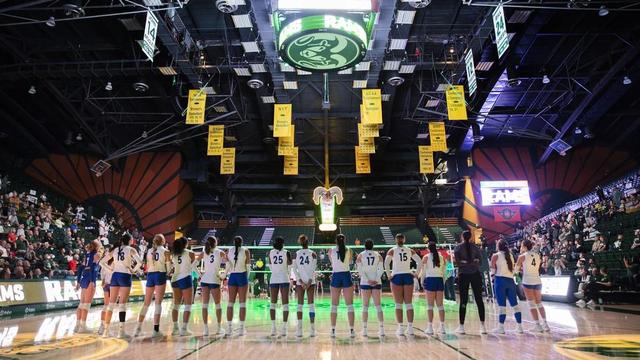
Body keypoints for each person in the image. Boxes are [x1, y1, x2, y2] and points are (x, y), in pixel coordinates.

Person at [99, 233, 143, 338]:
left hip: (115, 275)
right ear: (130, 240)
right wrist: (133, 270)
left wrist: (111, 269)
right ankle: (121, 332)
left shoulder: (115, 250)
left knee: (111, 304)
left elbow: (102, 262)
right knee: (122, 304)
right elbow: (140, 262)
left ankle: (105, 331)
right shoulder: (131, 249)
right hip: (125, 275)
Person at [384, 233, 421, 336]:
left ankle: (400, 329)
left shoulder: (392, 250)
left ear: (396, 240)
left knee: (398, 304)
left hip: (396, 276)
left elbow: (386, 263)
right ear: (404, 240)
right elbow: (420, 262)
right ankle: (410, 328)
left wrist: (388, 275)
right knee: (409, 304)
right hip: (407, 276)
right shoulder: (410, 250)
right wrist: (416, 273)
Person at [134, 234, 170, 338]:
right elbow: (168, 268)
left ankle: (138, 329)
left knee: (146, 303)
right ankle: (155, 330)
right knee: (158, 303)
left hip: (150, 275)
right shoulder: (166, 251)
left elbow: (148, 264)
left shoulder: (149, 251)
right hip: (160, 274)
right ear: (163, 241)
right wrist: (168, 272)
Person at [453, 230, 486, 335]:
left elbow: (457, 263)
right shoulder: (476, 247)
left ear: (462, 237)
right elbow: (480, 262)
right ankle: (483, 326)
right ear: (471, 237)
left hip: (464, 275)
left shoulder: (457, 248)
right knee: (479, 300)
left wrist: (465, 263)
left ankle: (462, 327)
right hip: (475, 274)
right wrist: (473, 262)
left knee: (463, 300)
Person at [515, 239, 550, 333]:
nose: (520, 247)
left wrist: (520, 270)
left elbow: (515, 271)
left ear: (525, 247)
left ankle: (537, 325)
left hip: (528, 281)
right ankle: (545, 324)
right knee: (539, 303)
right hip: (537, 280)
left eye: (522, 245)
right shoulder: (537, 255)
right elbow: (535, 267)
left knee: (531, 304)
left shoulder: (521, 256)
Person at [490, 239, 523, 334]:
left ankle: (501, 328)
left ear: (498, 246)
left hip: (500, 281)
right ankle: (520, 327)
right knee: (515, 304)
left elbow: (492, 270)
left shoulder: (495, 256)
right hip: (510, 281)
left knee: (502, 306)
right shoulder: (511, 256)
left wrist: (493, 279)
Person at [356, 239, 385, 337]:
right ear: (373, 246)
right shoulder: (378, 255)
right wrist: (376, 279)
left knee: (365, 306)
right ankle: (381, 330)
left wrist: (367, 280)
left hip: (365, 282)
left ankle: (364, 330)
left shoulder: (360, 255)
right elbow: (381, 269)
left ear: (364, 246)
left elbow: (359, 270)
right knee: (378, 306)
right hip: (377, 282)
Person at [328, 234, 355, 338]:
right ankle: (352, 330)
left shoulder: (331, 250)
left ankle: (333, 330)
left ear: (336, 240)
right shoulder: (349, 250)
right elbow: (349, 261)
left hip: (336, 275)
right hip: (346, 275)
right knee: (350, 305)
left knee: (334, 305)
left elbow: (332, 263)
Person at [417, 241, 446, 335]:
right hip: (439, 280)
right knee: (440, 306)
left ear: (428, 248)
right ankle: (442, 327)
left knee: (430, 306)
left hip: (430, 280)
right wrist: (443, 281)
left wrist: (421, 282)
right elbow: (444, 272)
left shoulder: (426, 257)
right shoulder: (442, 257)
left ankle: (430, 328)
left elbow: (424, 272)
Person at [200, 236, 227, 336]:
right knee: (218, 304)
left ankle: (206, 330)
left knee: (204, 305)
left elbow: (193, 264)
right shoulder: (220, 252)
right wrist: (223, 275)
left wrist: (200, 275)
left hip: (205, 279)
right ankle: (219, 328)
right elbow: (228, 263)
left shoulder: (204, 252)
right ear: (215, 242)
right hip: (215, 279)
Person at [169, 237, 196, 336]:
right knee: (188, 304)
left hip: (175, 279)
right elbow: (193, 266)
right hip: (185, 278)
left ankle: (175, 328)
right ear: (186, 244)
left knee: (176, 304)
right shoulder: (190, 253)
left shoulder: (174, 254)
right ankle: (184, 328)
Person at [74, 239, 102, 333]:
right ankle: (83, 327)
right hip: (90, 278)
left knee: (81, 303)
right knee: (86, 304)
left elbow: (80, 268)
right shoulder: (97, 255)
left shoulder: (87, 254)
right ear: (97, 246)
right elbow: (93, 268)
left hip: (84, 279)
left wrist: (78, 281)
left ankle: (77, 325)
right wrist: (93, 281)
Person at [292, 234, 317, 338]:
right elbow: (313, 268)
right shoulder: (313, 254)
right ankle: (312, 330)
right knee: (311, 305)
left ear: (300, 242)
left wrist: (300, 281)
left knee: (300, 305)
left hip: (300, 282)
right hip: (311, 282)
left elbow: (294, 269)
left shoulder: (296, 254)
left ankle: (299, 330)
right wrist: (309, 281)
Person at [226, 236, 251, 336]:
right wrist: (246, 278)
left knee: (230, 303)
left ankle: (229, 329)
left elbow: (228, 267)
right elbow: (248, 267)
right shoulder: (246, 251)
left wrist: (224, 275)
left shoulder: (229, 251)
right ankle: (241, 329)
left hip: (232, 276)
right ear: (242, 242)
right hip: (242, 276)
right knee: (242, 304)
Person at [267, 236, 292, 337]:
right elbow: (290, 266)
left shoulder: (271, 252)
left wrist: (275, 272)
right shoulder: (287, 252)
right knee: (285, 303)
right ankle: (284, 328)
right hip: (284, 278)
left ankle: (273, 328)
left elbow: (270, 265)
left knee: (272, 303)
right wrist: (288, 275)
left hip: (274, 278)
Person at [97, 245, 113, 336]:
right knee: (109, 306)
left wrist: (103, 281)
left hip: (106, 284)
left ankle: (102, 326)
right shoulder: (113, 260)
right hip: (111, 285)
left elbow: (102, 273)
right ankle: (105, 327)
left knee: (106, 305)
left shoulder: (104, 261)